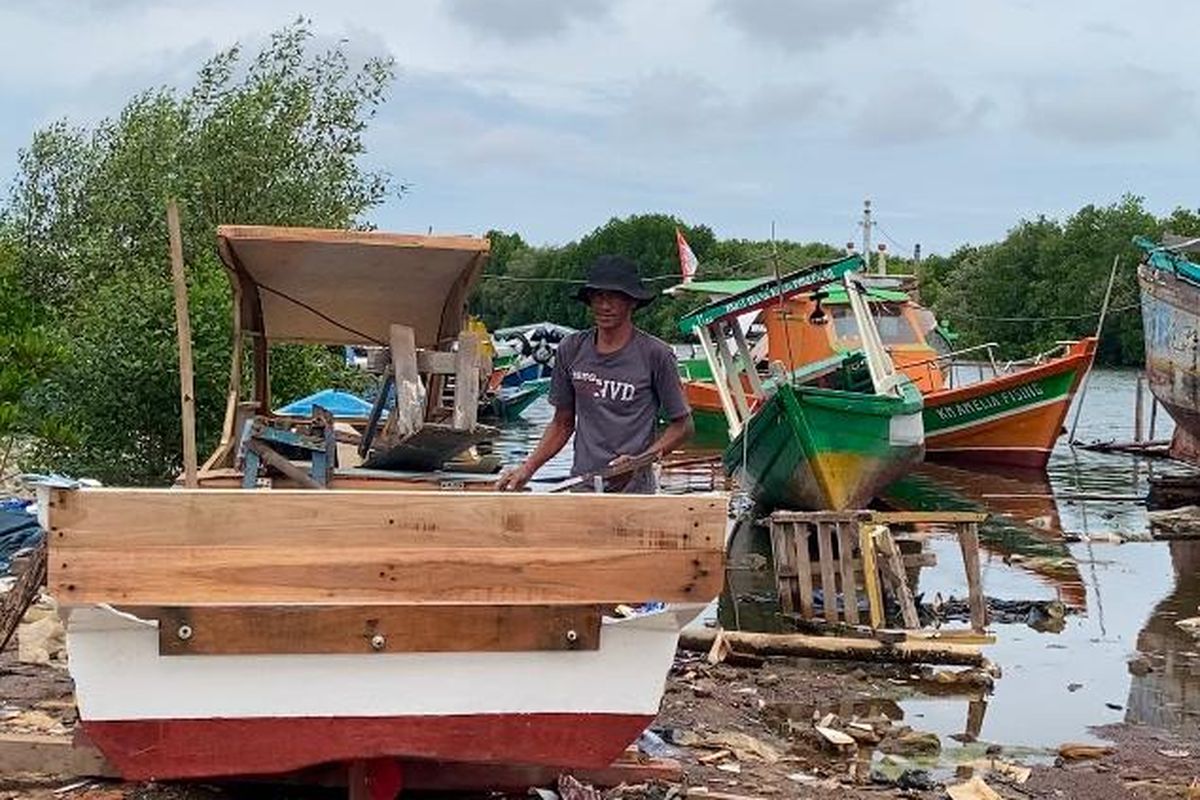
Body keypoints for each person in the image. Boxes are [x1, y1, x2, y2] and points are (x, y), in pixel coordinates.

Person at [496, 254, 693, 493]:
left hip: (635, 494)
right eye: (598, 296)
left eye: (614, 297)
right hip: (583, 487)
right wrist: (526, 469)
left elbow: (683, 426)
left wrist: (640, 460)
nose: (604, 305)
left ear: (632, 302)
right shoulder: (571, 349)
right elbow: (561, 423)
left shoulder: (656, 354)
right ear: (589, 300)